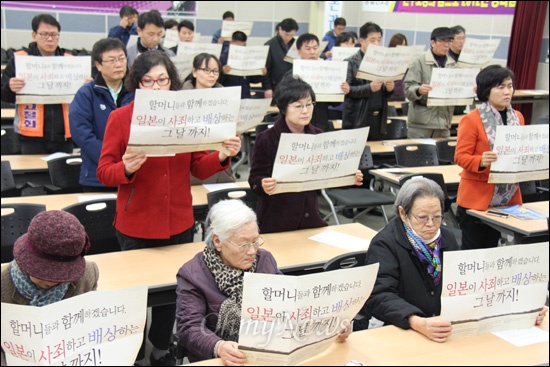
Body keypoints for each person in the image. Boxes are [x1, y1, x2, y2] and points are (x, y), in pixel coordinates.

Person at [96, 50, 241, 366]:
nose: (156, 87)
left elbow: (199, 167)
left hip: (178, 220)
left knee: (174, 294)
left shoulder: (185, 117)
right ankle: (132, 353)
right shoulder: (120, 118)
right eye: (147, 81)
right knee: (133, 298)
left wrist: (220, 155)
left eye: (162, 80)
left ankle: (161, 347)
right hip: (135, 224)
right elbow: (104, 172)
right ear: (138, 84)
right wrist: (127, 167)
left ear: (172, 83)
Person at [364, 178, 549, 342]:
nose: (430, 224)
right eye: (422, 217)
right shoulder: (385, 244)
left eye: (437, 217)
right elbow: (379, 296)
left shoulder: (446, 237)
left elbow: (469, 284)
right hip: (400, 329)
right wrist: (416, 320)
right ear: (403, 213)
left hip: (446, 326)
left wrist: (524, 308)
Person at [249, 75, 362, 233]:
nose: (305, 111)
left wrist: (350, 177)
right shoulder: (267, 138)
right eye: (298, 106)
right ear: (283, 108)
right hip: (276, 219)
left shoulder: (318, 136)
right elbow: (254, 179)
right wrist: (263, 183)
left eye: (309, 105)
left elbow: (329, 174)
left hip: (310, 217)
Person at [175, 199, 280, 363]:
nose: (252, 251)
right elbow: (189, 328)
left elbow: (289, 301)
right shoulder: (193, 275)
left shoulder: (264, 260)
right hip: (221, 359)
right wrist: (218, 346)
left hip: (265, 349)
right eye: (243, 244)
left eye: (255, 241)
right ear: (217, 241)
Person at [1, 210, 98, 365]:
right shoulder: (3, 284)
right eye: (42, 273)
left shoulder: (88, 275)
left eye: (62, 275)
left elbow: (90, 326)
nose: (52, 281)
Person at [455, 65, 524, 250]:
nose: (507, 91)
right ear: (486, 91)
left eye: (510, 86)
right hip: (478, 198)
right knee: (475, 252)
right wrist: (480, 161)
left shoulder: (518, 117)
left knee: (495, 251)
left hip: (508, 197)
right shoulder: (472, 119)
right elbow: (460, 156)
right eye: (500, 87)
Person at [0, 14, 75, 154]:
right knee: (35, 175)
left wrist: (87, 86)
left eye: (54, 34)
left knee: (63, 175)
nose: (50, 39)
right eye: (44, 34)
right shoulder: (19, 60)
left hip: (64, 134)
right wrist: (10, 88)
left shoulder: (70, 61)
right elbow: (4, 96)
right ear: (34, 35)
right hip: (31, 135)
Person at [69, 38, 134, 192]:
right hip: (96, 177)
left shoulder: (136, 91)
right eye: (111, 60)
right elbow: (82, 134)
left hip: (133, 174)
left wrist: (129, 163)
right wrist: (112, 160)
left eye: (121, 59)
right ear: (98, 65)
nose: (118, 65)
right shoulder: (86, 93)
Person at [342, 22, 394, 141]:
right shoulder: (350, 62)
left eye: (379, 40)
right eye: (372, 40)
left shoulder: (383, 62)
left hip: (379, 118)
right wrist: (369, 88)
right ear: (362, 41)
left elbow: (385, 94)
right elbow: (347, 90)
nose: (376, 44)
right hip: (358, 118)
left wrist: (389, 89)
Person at [288, 33, 349, 132]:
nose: (312, 52)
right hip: (298, 127)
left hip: (320, 124)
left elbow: (334, 103)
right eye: (308, 49)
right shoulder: (291, 75)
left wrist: (341, 90)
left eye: (315, 48)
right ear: (299, 52)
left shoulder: (327, 71)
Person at [404, 27, 457, 139]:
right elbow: (407, 88)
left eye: (449, 41)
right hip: (421, 124)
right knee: (419, 156)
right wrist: (418, 90)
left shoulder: (453, 65)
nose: (446, 45)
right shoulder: (419, 62)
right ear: (432, 42)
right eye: (443, 41)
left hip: (444, 123)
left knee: (442, 156)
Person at [218, 31, 266, 99]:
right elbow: (217, 82)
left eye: (243, 46)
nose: (240, 49)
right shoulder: (222, 58)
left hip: (245, 95)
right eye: (237, 46)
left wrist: (261, 74)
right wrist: (222, 72)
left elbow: (252, 79)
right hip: (228, 96)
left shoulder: (248, 57)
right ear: (231, 42)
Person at [262, 18, 299, 100]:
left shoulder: (296, 44)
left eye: (291, 35)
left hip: (292, 85)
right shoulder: (270, 45)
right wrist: (267, 87)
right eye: (286, 34)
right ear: (280, 29)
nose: (288, 38)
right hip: (276, 85)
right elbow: (266, 68)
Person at [388, 33, 408, 99]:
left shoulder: (407, 59)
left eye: (404, 46)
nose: (402, 48)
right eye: (400, 45)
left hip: (403, 93)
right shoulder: (387, 59)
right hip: (391, 93)